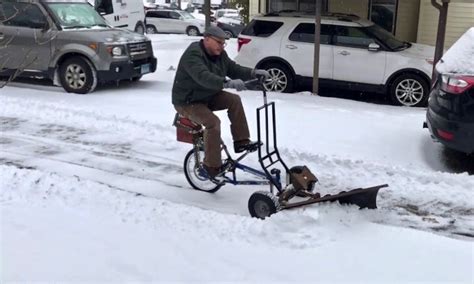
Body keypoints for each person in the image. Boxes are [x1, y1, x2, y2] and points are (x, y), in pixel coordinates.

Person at [172, 26, 270, 179]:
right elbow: (203, 76)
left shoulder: (219, 54)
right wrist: (226, 83)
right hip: (188, 101)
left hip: (207, 95)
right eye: (219, 42)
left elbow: (233, 69)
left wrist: (253, 73)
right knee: (213, 123)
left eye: (223, 43)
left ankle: (241, 141)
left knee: (234, 100)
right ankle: (211, 167)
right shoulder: (193, 55)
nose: (221, 46)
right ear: (207, 39)